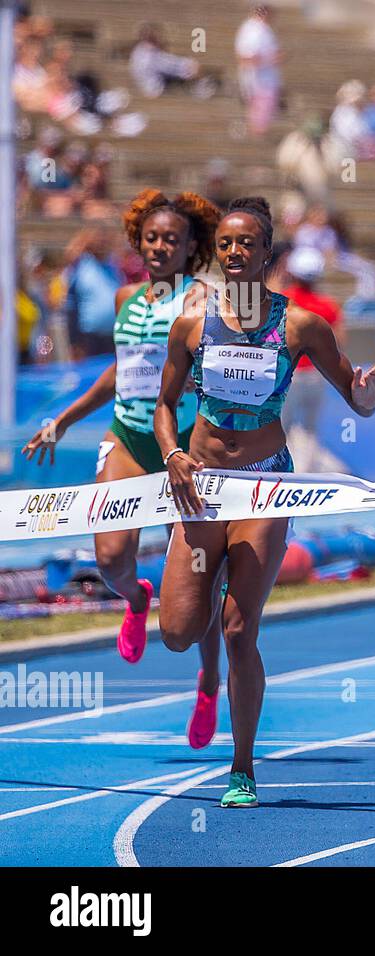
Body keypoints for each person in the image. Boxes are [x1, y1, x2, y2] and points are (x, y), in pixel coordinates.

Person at [155, 197, 375, 808]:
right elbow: (165, 407)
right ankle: (205, 665)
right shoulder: (191, 322)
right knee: (179, 632)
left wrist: (367, 394)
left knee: (242, 629)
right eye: (228, 244)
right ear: (218, 253)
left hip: (265, 482)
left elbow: (356, 398)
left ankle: (242, 766)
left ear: (269, 254)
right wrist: (171, 454)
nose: (237, 253)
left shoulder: (299, 326)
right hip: (202, 485)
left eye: (249, 244)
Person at [21, 189, 225, 749]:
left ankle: (209, 681)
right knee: (109, 557)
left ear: (190, 248)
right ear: (139, 241)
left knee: (198, 582)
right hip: (130, 437)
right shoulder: (125, 298)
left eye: (173, 240)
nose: (160, 247)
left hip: (185, 447)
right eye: (152, 238)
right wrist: (61, 420)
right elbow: (119, 372)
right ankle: (135, 598)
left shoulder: (202, 299)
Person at [279, 246, 345, 471]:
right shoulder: (328, 306)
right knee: (308, 429)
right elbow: (339, 342)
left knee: (282, 427)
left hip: (289, 375)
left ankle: (283, 475)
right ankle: (304, 475)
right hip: (316, 375)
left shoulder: (284, 301)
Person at [63, 228, 126, 359]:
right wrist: (74, 342)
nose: (102, 244)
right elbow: (70, 304)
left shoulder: (113, 267)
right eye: (98, 241)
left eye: (104, 241)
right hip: (89, 336)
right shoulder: (80, 266)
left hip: (113, 336)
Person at [234, 5, 281, 137]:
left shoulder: (262, 29)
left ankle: (258, 133)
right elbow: (246, 58)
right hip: (259, 80)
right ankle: (257, 135)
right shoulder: (254, 30)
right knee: (259, 114)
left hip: (265, 79)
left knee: (263, 112)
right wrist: (270, 59)